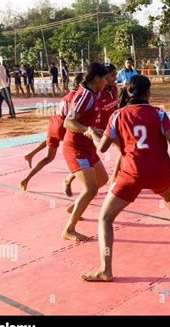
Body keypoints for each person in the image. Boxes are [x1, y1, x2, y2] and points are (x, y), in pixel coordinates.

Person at [80, 75, 170, 282]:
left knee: (105, 218)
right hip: (159, 170)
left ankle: (106, 269)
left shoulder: (117, 115)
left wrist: (92, 133)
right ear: (148, 93)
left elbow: (101, 147)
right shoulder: (159, 113)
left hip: (132, 173)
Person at [61, 62, 109, 242]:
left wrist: (94, 130)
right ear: (96, 79)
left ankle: (74, 207)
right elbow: (68, 122)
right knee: (90, 189)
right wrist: (88, 130)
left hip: (87, 148)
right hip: (76, 148)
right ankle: (69, 229)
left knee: (103, 179)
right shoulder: (85, 96)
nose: (107, 82)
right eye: (105, 78)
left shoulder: (93, 94)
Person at [20, 74, 84, 193]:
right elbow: (74, 117)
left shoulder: (67, 95)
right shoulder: (77, 97)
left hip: (53, 123)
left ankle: (28, 170)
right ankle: (74, 179)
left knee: (48, 156)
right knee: (80, 155)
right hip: (62, 126)